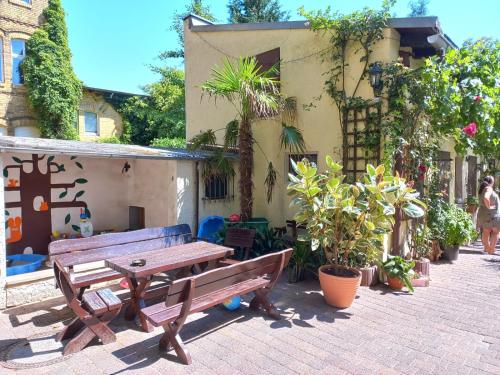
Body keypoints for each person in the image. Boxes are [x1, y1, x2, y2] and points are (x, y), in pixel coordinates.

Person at [477, 176, 500, 255]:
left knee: (485, 232)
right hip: (492, 215)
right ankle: (491, 249)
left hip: (483, 215)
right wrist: (489, 207)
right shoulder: (489, 188)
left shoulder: (481, 190)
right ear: (491, 182)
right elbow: (486, 198)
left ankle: (487, 248)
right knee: (496, 232)